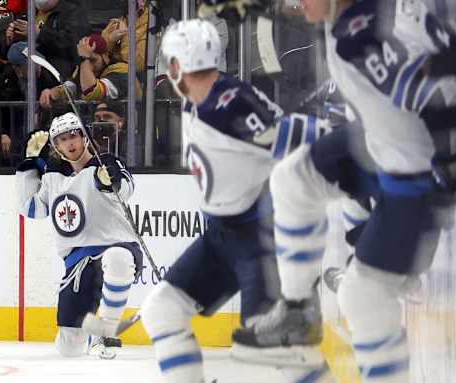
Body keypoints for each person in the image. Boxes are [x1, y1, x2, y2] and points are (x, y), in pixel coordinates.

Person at [211, 0, 456, 382]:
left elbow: (435, 94)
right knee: (292, 178)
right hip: (379, 144)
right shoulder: (349, 15)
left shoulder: (361, 35)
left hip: (413, 172)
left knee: (362, 296)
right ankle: (297, 312)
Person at [135, 18, 340, 383]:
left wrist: (339, 131)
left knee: (280, 352)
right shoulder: (198, 101)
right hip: (222, 236)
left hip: (259, 241)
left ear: (178, 66)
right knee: (163, 310)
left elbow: (289, 137)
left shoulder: (228, 105)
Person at [16, 112, 143, 359]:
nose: (70, 142)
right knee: (69, 348)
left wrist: (110, 181)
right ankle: (87, 336)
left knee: (117, 258)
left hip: (117, 246)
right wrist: (30, 163)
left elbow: (126, 188)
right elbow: (31, 208)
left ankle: (106, 330)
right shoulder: (53, 177)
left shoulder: (104, 163)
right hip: (78, 263)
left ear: (84, 137)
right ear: (55, 145)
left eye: (74, 135)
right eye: (63, 139)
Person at [39, 33, 142, 109]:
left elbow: (92, 93)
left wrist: (84, 59)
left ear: (106, 56)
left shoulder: (122, 70)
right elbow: (70, 88)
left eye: (92, 60)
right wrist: (52, 93)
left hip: (129, 129)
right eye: (85, 60)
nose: (90, 67)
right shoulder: (83, 66)